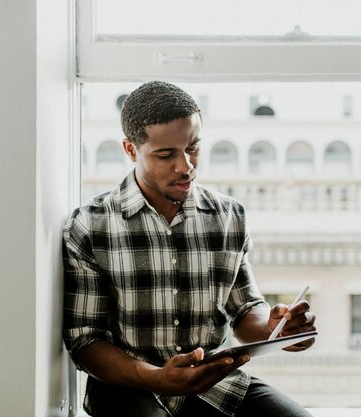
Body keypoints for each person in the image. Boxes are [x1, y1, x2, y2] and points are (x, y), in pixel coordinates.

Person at [63, 80, 317, 417]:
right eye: (166, 154)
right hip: (128, 388)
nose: (186, 166)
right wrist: (158, 377)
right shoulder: (91, 225)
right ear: (130, 150)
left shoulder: (229, 216)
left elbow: (244, 310)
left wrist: (276, 328)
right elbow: (85, 342)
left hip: (214, 382)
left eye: (193, 147)